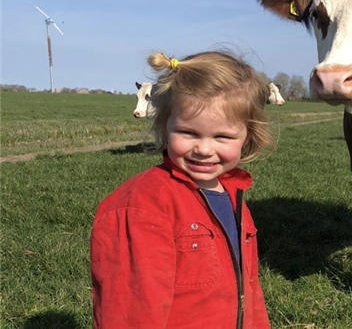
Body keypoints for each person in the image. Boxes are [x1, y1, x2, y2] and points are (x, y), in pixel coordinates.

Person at [90, 51, 274, 329]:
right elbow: (130, 311)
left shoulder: (232, 192)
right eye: (188, 133)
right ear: (165, 126)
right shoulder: (142, 208)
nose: (203, 149)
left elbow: (248, 289)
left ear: (248, 135)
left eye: (222, 136)